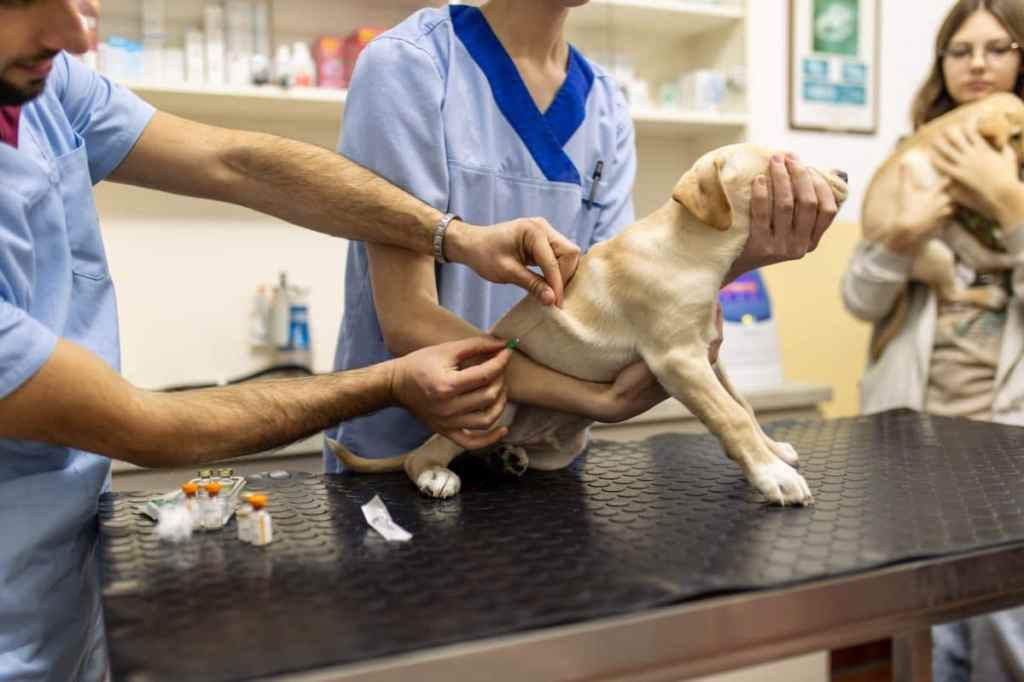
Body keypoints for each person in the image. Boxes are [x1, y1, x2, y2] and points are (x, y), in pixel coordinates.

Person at [0, 0, 596, 679]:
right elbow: (140, 425)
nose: (80, 33)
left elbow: (236, 163)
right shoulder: (407, 62)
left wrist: (453, 236)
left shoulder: (44, 85)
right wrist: (390, 382)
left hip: (69, 585)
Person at [324, 0, 840, 470]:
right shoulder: (410, 64)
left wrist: (748, 251)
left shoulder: (605, 105)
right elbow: (408, 321)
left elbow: (623, 307)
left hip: (544, 457)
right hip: (403, 451)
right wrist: (594, 401)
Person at [841, 1, 1024, 679]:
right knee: (929, 632)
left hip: (1011, 439)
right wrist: (899, 238)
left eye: (999, 47)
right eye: (960, 50)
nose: (977, 63)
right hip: (915, 434)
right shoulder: (907, 162)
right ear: (941, 64)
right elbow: (859, 300)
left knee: (1006, 631)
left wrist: (1010, 212)